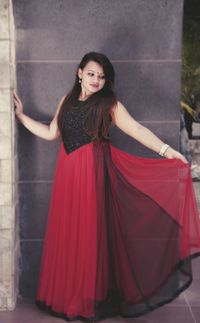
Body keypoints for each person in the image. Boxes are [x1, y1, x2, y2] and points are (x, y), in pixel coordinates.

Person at [13, 52, 200, 322]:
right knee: (69, 231)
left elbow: (135, 129)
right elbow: (51, 132)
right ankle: (68, 296)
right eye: (91, 74)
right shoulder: (66, 100)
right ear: (79, 73)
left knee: (88, 234)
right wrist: (21, 116)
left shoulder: (109, 104)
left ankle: (86, 298)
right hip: (67, 176)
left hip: (92, 176)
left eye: (101, 76)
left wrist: (168, 151)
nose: (96, 80)